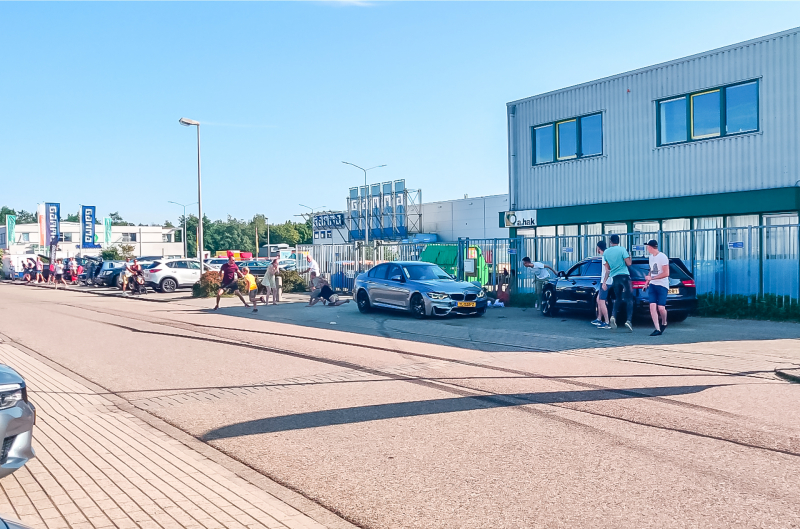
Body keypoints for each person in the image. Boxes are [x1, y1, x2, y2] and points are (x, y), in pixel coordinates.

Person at [602, 234, 634, 332]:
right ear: (618, 241)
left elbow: (607, 268)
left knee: (618, 298)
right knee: (629, 299)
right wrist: (630, 256)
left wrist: (604, 282)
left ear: (610, 241)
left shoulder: (606, 252)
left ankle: (613, 316)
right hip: (624, 276)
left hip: (615, 277)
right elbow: (629, 263)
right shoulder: (622, 250)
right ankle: (628, 320)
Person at [645, 239, 670, 336]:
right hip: (653, 285)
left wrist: (652, 278)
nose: (647, 248)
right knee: (652, 306)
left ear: (651, 247)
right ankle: (657, 329)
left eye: (647, 246)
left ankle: (664, 322)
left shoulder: (662, 257)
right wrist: (647, 282)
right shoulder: (650, 257)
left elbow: (666, 273)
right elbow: (651, 270)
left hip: (662, 285)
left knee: (661, 308)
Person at [592, 241, 612, 329]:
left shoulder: (604, 257)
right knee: (598, 299)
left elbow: (608, 270)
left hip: (606, 281)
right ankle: (599, 318)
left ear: (599, 248)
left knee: (602, 301)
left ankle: (607, 322)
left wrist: (604, 282)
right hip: (607, 280)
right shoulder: (608, 255)